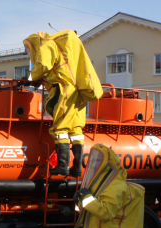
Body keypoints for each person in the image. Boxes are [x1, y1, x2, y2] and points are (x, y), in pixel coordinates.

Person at [23, 30, 103, 176]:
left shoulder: (46, 46)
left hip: (64, 90)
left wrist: (29, 77)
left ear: (33, 43)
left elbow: (43, 66)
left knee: (60, 128)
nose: (28, 52)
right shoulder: (63, 48)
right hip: (77, 92)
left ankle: (63, 165)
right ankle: (77, 168)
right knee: (76, 130)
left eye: (28, 48)